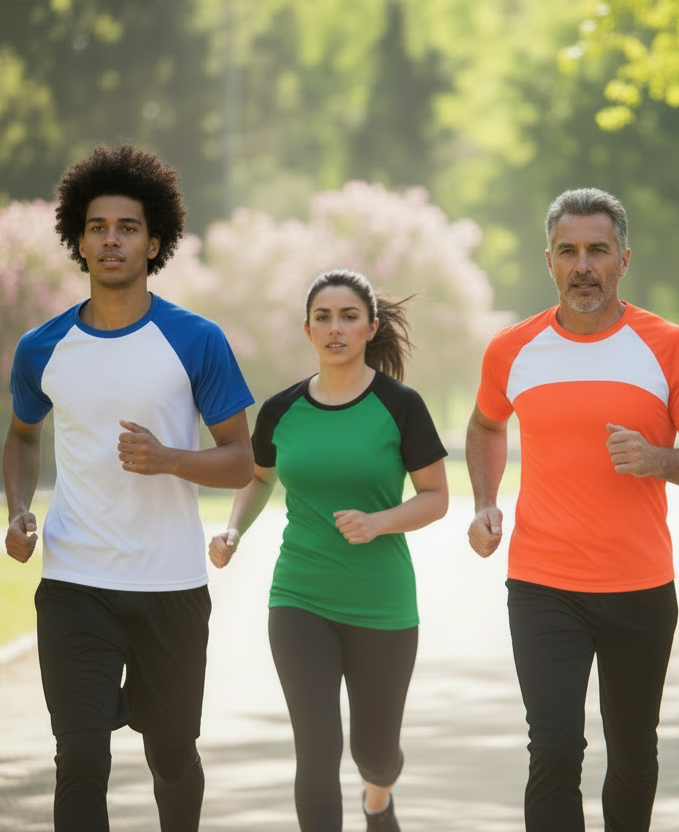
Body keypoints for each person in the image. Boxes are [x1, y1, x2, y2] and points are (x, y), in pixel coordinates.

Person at [3, 143, 255, 832]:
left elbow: (242, 459)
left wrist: (171, 458)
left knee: (170, 753)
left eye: (128, 227)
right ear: (78, 242)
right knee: (79, 756)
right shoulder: (42, 348)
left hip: (169, 586)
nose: (111, 239)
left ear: (156, 242)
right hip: (75, 582)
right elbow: (22, 437)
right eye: (97, 227)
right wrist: (19, 511)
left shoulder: (195, 340)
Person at [466, 187, 679, 831]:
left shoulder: (669, 346)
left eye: (598, 251)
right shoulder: (512, 349)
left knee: (634, 753)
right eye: (569, 251)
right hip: (542, 584)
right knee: (554, 749)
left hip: (639, 585)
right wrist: (484, 502)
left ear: (624, 259)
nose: (583, 265)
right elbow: (485, 427)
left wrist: (660, 460)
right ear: (549, 262)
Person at [208, 268, 449, 832]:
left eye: (348, 316)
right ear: (307, 329)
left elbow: (436, 496)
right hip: (300, 597)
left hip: (382, 604)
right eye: (323, 317)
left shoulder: (401, 406)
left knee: (376, 754)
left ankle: (378, 795)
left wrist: (380, 521)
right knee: (317, 750)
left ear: (371, 326)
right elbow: (258, 476)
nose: (335, 328)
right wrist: (235, 530)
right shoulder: (280, 410)